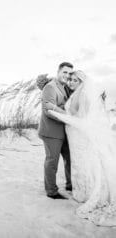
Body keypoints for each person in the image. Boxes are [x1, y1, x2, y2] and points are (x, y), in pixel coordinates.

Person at [48, 70, 116, 226]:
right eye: (70, 80)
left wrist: (57, 113)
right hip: (74, 136)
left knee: (84, 163)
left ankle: (86, 193)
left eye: (74, 80)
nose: (71, 82)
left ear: (81, 82)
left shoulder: (83, 95)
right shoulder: (75, 94)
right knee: (80, 163)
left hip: (79, 135)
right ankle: (81, 192)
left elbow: (81, 120)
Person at [38, 62, 73, 199]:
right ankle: (51, 191)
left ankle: (70, 185)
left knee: (69, 159)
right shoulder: (50, 87)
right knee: (52, 161)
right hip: (51, 132)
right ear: (58, 72)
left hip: (64, 132)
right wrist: (67, 116)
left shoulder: (64, 87)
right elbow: (48, 110)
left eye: (69, 73)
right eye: (64, 72)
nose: (67, 75)